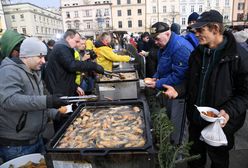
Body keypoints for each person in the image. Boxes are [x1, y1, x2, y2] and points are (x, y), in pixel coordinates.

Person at [163, 10, 248, 168]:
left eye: (200, 30)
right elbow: (189, 81)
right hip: (196, 121)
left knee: (219, 161)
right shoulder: (197, 53)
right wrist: (178, 90)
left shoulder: (238, 56)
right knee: (195, 159)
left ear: (215, 29)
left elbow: (245, 94)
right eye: (195, 30)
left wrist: (228, 111)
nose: (196, 34)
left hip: (220, 124)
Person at [0, 37, 68, 162]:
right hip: (17, 145)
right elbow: (10, 100)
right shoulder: (8, 71)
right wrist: (48, 101)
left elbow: (35, 104)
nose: (43, 61)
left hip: (36, 138)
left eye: (44, 57)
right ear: (26, 56)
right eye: (40, 57)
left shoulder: (34, 71)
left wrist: (56, 114)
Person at [45, 29, 104, 96]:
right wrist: (93, 66)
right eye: (76, 41)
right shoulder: (61, 48)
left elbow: (66, 72)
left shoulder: (64, 47)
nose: (77, 44)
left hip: (62, 88)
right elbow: (72, 65)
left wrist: (74, 86)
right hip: (59, 91)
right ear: (69, 38)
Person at [145, 22, 194, 90]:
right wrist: (156, 77)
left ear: (167, 34)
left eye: (157, 39)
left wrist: (158, 84)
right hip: (167, 86)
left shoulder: (180, 48)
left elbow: (179, 77)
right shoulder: (164, 45)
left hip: (176, 92)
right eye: (154, 39)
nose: (155, 42)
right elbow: (162, 66)